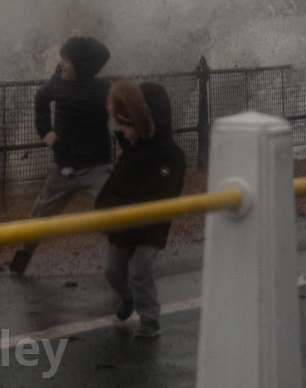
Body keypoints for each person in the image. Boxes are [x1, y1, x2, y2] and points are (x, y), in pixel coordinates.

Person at [9, 36, 112, 274]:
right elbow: (41, 99)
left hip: (96, 168)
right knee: (41, 212)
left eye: (66, 59)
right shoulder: (57, 84)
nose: (61, 64)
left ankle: (125, 259)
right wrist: (45, 131)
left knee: (113, 210)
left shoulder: (102, 90)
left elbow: (127, 109)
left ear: (81, 65)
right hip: (63, 167)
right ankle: (25, 252)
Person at [94, 80, 186, 338]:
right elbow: (115, 186)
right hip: (124, 225)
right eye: (119, 124)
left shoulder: (170, 156)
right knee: (112, 270)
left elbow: (166, 190)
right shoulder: (129, 153)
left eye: (127, 125)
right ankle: (128, 297)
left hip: (150, 226)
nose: (121, 131)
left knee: (140, 270)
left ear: (146, 123)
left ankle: (149, 320)